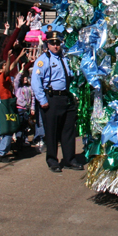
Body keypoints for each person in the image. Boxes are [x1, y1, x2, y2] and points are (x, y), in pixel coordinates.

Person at [31, 30, 82, 173]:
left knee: (68, 130)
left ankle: (69, 159)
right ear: (47, 44)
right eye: (52, 43)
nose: (55, 46)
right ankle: (52, 160)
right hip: (51, 98)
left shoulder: (65, 59)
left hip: (66, 97)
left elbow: (71, 76)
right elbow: (36, 82)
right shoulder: (43, 60)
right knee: (52, 131)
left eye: (58, 43)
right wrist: (42, 100)